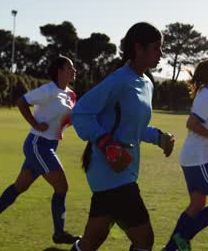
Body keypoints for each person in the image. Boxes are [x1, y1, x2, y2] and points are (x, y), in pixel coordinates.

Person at [70, 22, 175, 251]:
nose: (161, 54)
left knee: (91, 241)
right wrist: (106, 143)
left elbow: (133, 127)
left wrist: (159, 137)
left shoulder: (147, 83)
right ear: (139, 48)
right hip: (109, 171)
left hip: (124, 170)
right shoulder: (119, 80)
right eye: (156, 48)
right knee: (144, 239)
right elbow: (80, 113)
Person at [0, 55, 81, 244]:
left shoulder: (71, 94)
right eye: (70, 67)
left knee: (20, 187)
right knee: (62, 187)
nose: (74, 70)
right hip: (38, 145)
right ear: (59, 71)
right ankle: (59, 233)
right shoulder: (48, 90)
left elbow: (69, 119)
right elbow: (22, 101)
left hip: (49, 145)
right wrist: (35, 123)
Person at [163, 58, 208, 251]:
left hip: (193, 158)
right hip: (199, 159)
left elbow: (201, 124)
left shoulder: (206, 95)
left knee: (196, 205)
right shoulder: (206, 96)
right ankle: (181, 238)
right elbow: (191, 123)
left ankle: (170, 248)